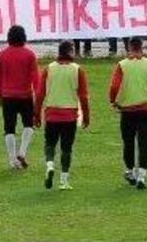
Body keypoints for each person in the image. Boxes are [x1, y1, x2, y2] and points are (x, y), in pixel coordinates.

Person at [35, 40, 90, 190]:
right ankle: (64, 180)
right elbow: (84, 96)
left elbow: (40, 94)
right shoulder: (77, 70)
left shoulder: (49, 69)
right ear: (71, 51)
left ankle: (50, 165)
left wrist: (36, 114)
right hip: (70, 115)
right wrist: (86, 115)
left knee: (50, 144)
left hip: (52, 114)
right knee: (67, 148)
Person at [109, 36, 147, 189]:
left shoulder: (122, 65)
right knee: (144, 143)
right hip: (145, 109)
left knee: (129, 142)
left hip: (127, 110)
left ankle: (130, 170)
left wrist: (113, 100)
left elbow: (114, 86)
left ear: (129, 47)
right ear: (142, 47)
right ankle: (142, 176)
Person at [0, 25, 39, 170]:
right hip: (25, 95)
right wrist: (38, 95)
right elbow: (35, 78)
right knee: (29, 125)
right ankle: (22, 152)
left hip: (7, 96)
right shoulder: (30, 55)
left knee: (9, 129)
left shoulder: (2, 54)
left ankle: (12, 159)